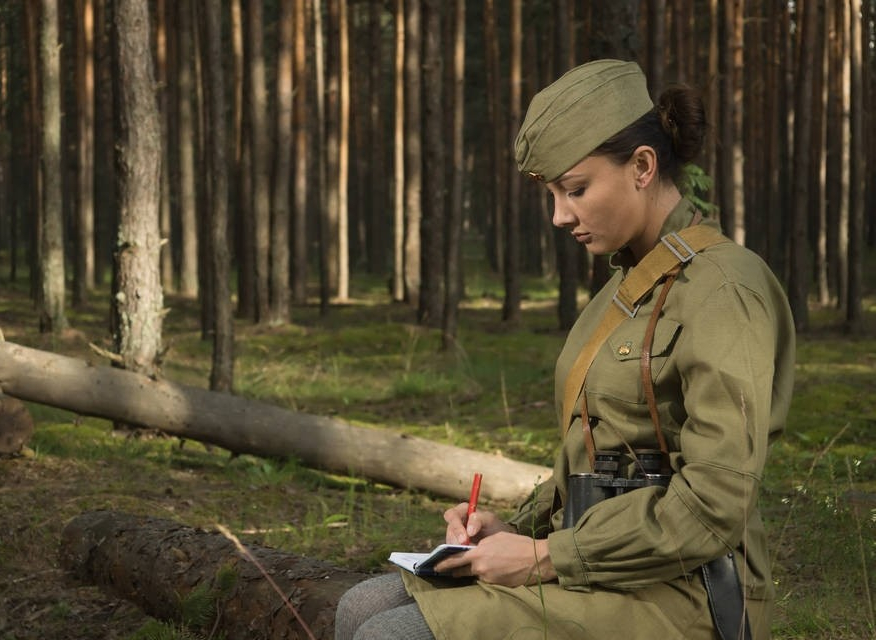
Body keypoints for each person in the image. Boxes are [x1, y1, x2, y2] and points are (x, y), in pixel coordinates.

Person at [335, 59, 795, 640]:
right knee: (359, 607)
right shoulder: (621, 291)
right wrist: (511, 530)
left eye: (576, 190)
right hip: (602, 565)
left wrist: (546, 557)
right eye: (553, 194)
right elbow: (596, 458)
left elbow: (714, 506)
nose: (560, 215)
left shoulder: (724, 290)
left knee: (390, 634)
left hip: (689, 591)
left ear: (643, 167)